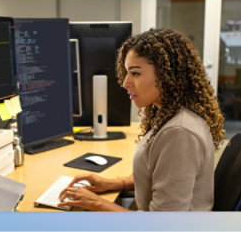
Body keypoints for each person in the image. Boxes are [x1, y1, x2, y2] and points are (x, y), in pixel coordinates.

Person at [58, 28, 225, 211]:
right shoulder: (168, 114)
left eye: (135, 73)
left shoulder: (179, 133)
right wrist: (116, 184)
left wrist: (96, 203)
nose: (125, 83)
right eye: (127, 72)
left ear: (166, 75)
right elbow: (162, 176)